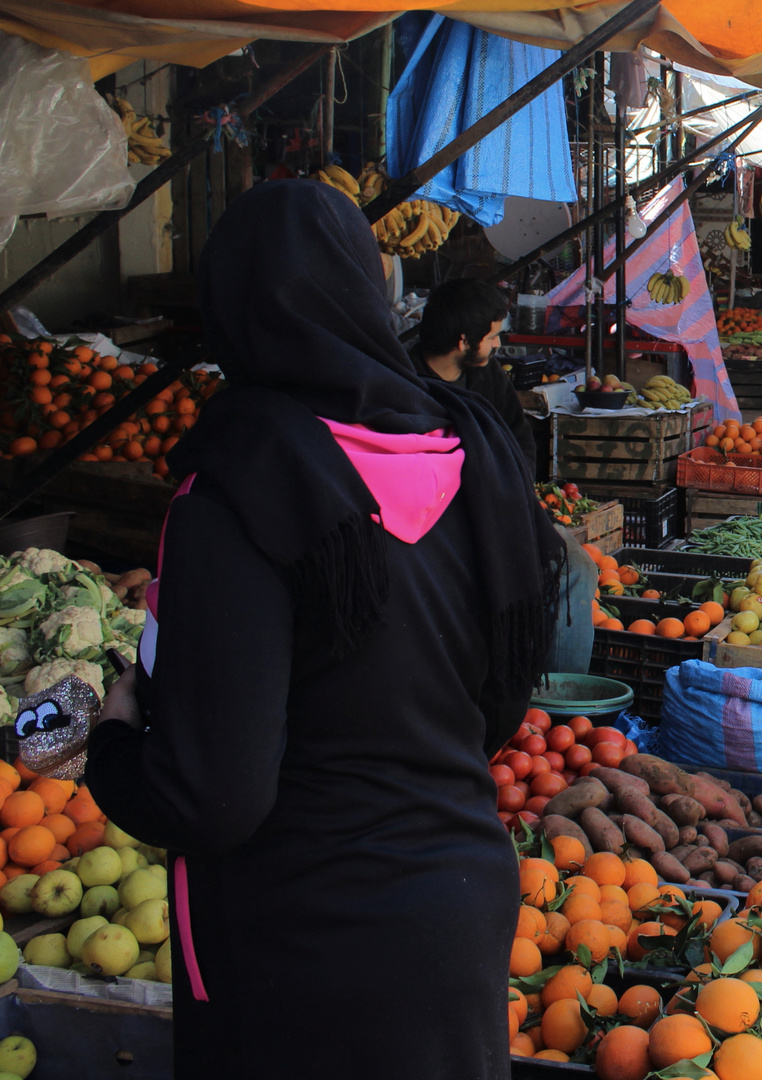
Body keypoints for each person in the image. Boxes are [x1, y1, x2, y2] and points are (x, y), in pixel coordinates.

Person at [83, 180, 565, 1079]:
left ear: (228, 309)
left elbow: (211, 796)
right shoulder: (471, 446)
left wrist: (112, 741)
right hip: (462, 909)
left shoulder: (237, 483)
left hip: (299, 951)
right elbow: (501, 697)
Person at [415, 278, 538, 477]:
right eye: (491, 337)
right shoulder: (407, 381)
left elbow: (518, 435)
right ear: (463, 342)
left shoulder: (489, 373)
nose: (497, 343)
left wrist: (519, 484)